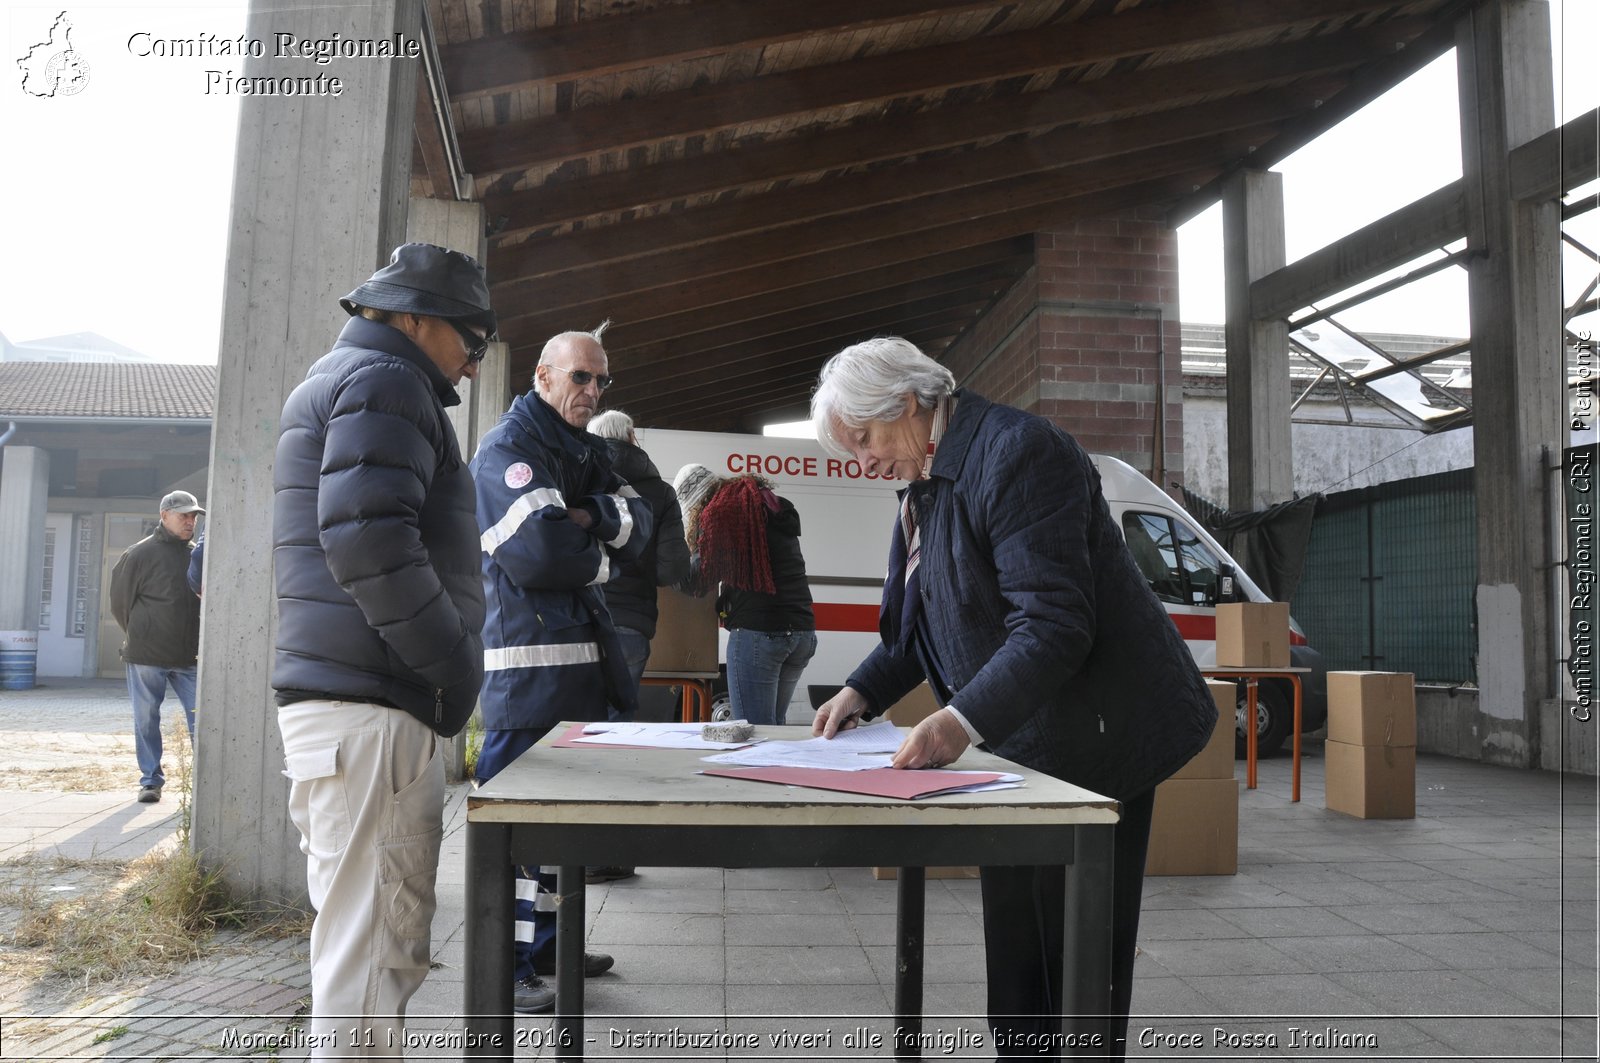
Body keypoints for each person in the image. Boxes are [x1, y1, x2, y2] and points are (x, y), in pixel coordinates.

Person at [809, 336, 1217, 1062]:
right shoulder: (927, 482)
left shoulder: (1020, 453)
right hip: (1020, 739)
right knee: (1019, 955)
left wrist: (958, 720)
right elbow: (925, 616)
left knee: (1076, 967)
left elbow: (1056, 623)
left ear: (908, 404)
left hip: (1098, 737)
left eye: (866, 440)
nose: (863, 463)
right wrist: (861, 689)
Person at [271, 242, 491, 1059]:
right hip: (377, 705)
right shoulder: (387, 382)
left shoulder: (348, 378)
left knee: (359, 948)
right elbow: (367, 543)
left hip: (349, 705)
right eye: (470, 339)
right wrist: (454, 664)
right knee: (374, 960)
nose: (472, 365)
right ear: (412, 315)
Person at [471, 322, 654, 1014]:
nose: (593, 389)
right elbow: (542, 556)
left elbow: (643, 524)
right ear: (543, 376)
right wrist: (597, 539)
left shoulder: (580, 449)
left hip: (578, 675)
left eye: (602, 379)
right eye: (581, 376)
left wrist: (587, 518)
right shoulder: (510, 450)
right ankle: (508, 964)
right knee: (522, 832)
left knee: (565, 826)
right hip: (529, 679)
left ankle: (549, 946)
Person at [585, 410, 691, 884]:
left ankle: (566, 853)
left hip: (578, 616)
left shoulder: (579, 472)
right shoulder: (660, 491)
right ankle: (609, 855)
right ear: (632, 437)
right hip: (630, 623)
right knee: (615, 735)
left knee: (574, 734)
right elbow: (672, 569)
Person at [691, 472, 816, 725]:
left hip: (760, 632)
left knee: (754, 732)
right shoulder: (775, 509)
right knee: (775, 729)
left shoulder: (726, 515)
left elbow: (697, 577)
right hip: (802, 632)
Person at [109, 489, 204, 804]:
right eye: (183, 515)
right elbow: (120, 603)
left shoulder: (197, 554)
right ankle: (151, 781)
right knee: (146, 718)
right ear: (164, 515)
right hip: (147, 655)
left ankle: (203, 783)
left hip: (190, 657)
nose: (190, 521)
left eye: (193, 516)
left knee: (201, 719)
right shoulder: (138, 554)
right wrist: (141, 633)